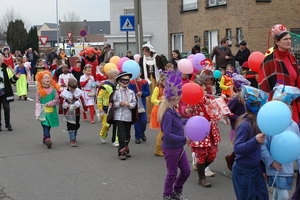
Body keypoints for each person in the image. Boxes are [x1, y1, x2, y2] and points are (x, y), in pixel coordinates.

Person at [261, 85, 300, 200]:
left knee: (279, 193)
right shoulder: (270, 124)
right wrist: (270, 161)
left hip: (287, 169)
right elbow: (263, 146)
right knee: (283, 196)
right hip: (275, 168)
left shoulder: (293, 125)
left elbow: (297, 146)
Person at [157, 70, 190, 200]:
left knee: (186, 171)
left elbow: (178, 122)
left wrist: (190, 120)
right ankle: (167, 195)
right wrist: (184, 139)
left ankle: (177, 191)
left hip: (178, 147)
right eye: (179, 100)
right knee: (172, 174)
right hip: (171, 148)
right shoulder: (167, 114)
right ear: (176, 99)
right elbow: (168, 134)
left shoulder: (173, 110)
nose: (179, 102)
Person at [232, 85, 269, 200]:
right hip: (244, 171)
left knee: (263, 197)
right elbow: (237, 148)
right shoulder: (245, 124)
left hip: (256, 169)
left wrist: (262, 169)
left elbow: (258, 149)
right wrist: (255, 140)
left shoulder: (259, 122)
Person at [258, 24, 300, 125]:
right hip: (277, 106)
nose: (289, 41)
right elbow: (263, 85)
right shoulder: (269, 60)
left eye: (290, 38)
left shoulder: (292, 58)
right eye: (285, 39)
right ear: (277, 42)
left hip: (293, 104)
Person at [185, 78, 221, 187]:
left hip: (210, 128)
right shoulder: (195, 100)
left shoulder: (207, 98)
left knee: (212, 155)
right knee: (201, 155)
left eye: (204, 90)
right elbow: (189, 108)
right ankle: (202, 178)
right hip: (199, 129)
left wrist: (221, 99)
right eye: (201, 90)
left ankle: (201, 167)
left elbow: (216, 106)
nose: (203, 92)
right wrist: (204, 99)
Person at [224, 73, 250, 171]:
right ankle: (232, 160)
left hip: (246, 124)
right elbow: (227, 111)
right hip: (237, 125)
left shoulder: (246, 98)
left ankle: (234, 159)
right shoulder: (235, 99)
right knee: (239, 144)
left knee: (244, 143)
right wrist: (237, 117)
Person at [111, 72, 137, 160]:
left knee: (127, 135)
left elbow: (134, 103)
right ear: (119, 81)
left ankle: (126, 147)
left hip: (128, 116)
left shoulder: (131, 92)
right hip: (119, 116)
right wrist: (120, 104)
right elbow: (113, 104)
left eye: (127, 80)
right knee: (121, 134)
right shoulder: (116, 92)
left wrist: (129, 104)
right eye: (123, 80)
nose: (125, 82)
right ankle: (121, 151)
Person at [35, 71, 60, 149]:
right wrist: (37, 113)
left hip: (51, 111)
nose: (47, 79)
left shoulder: (53, 89)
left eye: (48, 77)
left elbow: (57, 99)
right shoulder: (39, 91)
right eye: (45, 78)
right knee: (45, 126)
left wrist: (51, 103)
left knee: (49, 126)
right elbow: (37, 102)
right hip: (43, 111)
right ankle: (48, 139)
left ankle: (45, 136)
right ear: (41, 80)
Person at [139, 43, 164, 121]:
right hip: (146, 79)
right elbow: (141, 70)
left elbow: (162, 69)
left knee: (155, 96)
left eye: (146, 51)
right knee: (147, 97)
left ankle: (157, 114)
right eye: (144, 52)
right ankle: (148, 115)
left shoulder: (157, 58)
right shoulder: (142, 59)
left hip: (156, 79)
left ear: (150, 51)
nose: (145, 53)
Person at [60, 78, 87, 147]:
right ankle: (72, 139)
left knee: (76, 124)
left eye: (74, 88)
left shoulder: (78, 92)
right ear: (68, 86)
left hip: (76, 111)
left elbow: (82, 100)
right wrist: (67, 105)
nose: (73, 90)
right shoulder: (64, 93)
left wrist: (77, 105)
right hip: (68, 112)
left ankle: (74, 135)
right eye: (72, 88)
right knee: (70, 125)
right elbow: (61, 103)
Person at [97, 68, 119, 145]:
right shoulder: (105, 86)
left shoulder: (118, 85)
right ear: (114, 76)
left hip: (116, 107)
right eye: (117, 75)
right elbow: (99, 97)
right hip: (106, 108)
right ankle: (103, 134)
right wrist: (100, 108)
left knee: (117, 125)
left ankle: (116, 140)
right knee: (106, 125)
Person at [128, 70, 150, 144]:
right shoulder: (131, 83)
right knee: (136, 120)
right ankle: (137, 136)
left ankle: (142, 132)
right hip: (134, 104)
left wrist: (142, 93)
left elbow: (148, 92)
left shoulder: (144, 82)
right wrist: (135, 94)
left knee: (144, 120)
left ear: (140, 73)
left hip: (142, 104)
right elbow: (129, 92)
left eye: (138, 73)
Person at [0, 54, 19, 131]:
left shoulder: (7, 69)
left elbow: (11, 81)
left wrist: (15, 78)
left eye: (0, 59)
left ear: (2, 60)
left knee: (6, 108)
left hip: (5, 91)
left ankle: (8, 124)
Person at [150, 74, 165, 156]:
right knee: (162, 130)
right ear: (161, 81)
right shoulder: (157, 88)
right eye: (164, 81)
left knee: (166, 130)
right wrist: (160, 102)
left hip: (167, 110)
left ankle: (163, 148)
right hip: (159, 110)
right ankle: (158, 149)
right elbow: (153, 99)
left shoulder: (170, 88)